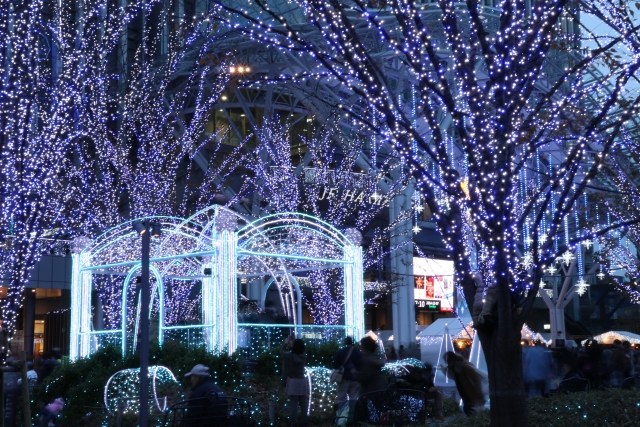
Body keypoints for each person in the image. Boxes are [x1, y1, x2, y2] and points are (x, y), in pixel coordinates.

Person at [442, 351, 485, 415]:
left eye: (448, 361)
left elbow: (477, 381)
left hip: (473, 395)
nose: (447, 363)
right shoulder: (456, 368)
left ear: (452, 360)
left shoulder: (465, 367)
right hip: (467, 395)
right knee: (470, 411)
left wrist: (477, 396)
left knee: (473, 412)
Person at [282, 337, 309, 427]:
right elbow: (299, 350)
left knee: (293, 402)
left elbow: (282, 352)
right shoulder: (304, 356)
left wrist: (286, 344)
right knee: (303, 402)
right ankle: (304, 420)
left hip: (292, 380)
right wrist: (292, 345)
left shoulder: (289, 356)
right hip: (301, 380)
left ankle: (294, 421)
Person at [332, 336, 362, 405]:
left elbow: (334, 365)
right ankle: (353, 414)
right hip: (355, 380)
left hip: (343, 379)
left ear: (345, 342)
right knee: (354, 400)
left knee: (341, 399)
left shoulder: (340, 352)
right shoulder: (358, 353)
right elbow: (362, 365)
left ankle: (343, 415)